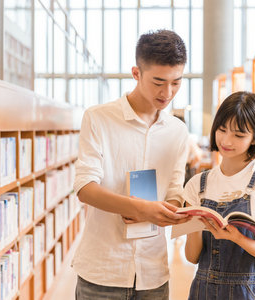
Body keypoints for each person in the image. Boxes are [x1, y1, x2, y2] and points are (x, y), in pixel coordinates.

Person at [73, 29, 190, 300]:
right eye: (158, 82)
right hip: (103, 271)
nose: (168, 92)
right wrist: (139, 207)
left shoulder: (177, 131)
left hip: (153, 272)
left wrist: (171, 210)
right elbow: (84, 187)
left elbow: (174, 191)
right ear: (136, 73)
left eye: (176, 82)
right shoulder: (98, 118)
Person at [183, 91, 255, 299]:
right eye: (222, 130)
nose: (226, 141)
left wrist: (238, 238)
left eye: (239, 135)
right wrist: (194, 223)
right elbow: (192, 256)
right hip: (204, 290)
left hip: (249, 292)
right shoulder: (197, 185)